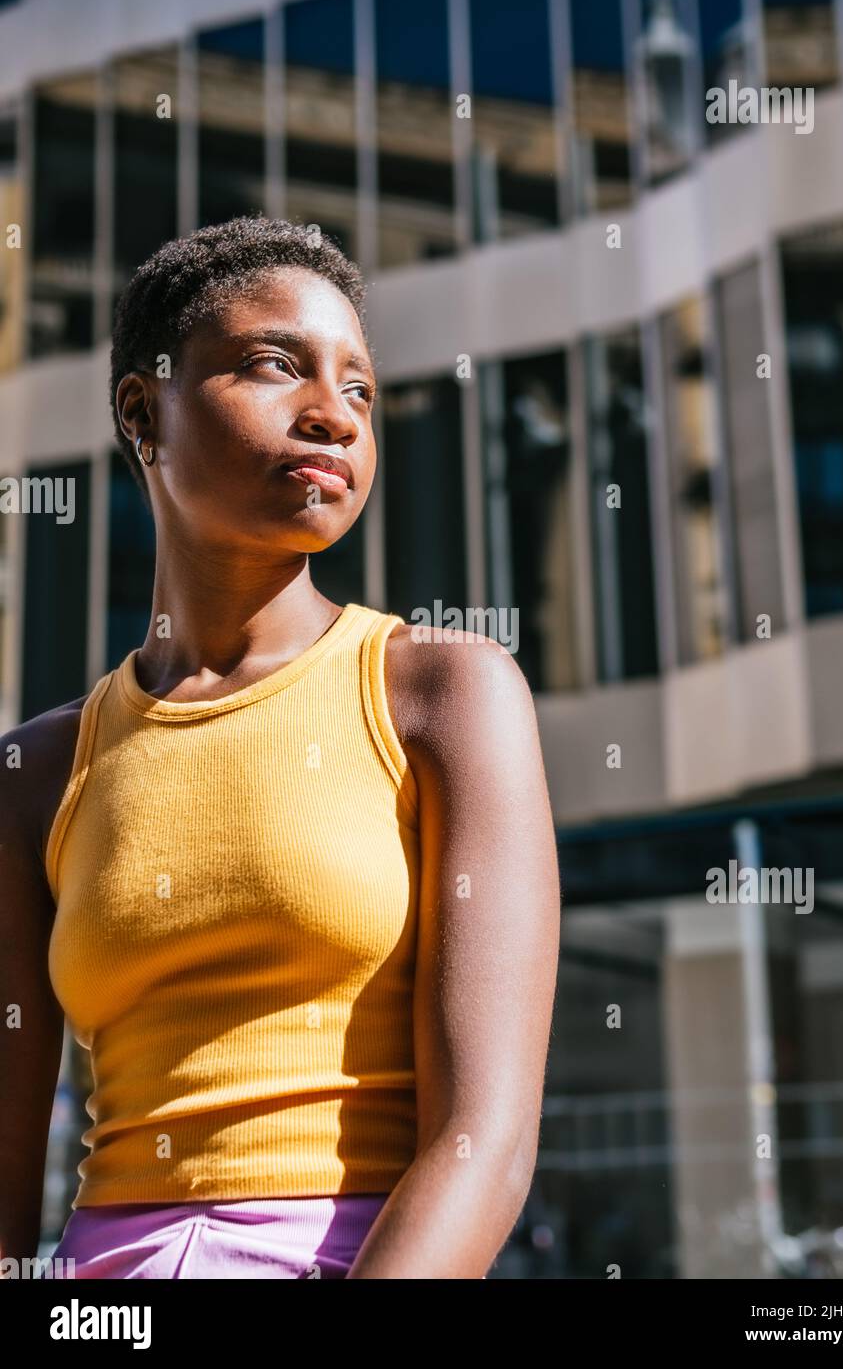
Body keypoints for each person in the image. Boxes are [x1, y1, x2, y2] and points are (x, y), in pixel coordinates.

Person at [0, 216, 561, 1279]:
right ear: (142, 412)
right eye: (276, 365)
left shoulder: (444, 694)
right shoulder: (37, 775)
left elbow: (483, 1144)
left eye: (359, 389)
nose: (334, 417)